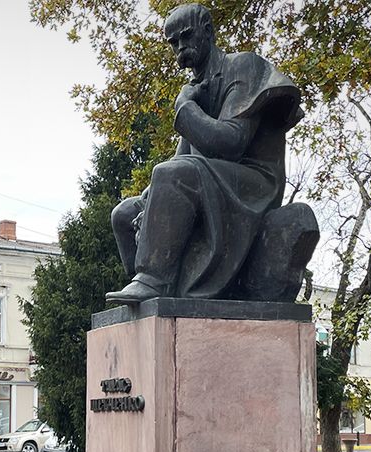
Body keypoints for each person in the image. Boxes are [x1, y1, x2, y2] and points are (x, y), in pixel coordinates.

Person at [106, 3, 310, 303]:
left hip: (253, 183)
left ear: (207, 31)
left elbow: (231, 142)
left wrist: (185, 107)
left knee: (173, 175)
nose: (180, 47)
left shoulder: (243, 66)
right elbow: (183, 156)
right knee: (124, 214)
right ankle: (153, 291)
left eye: (186, 37)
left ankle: (154, 279)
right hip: (211, 179)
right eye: (173, 42)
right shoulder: (196, 87)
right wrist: (151, 195)